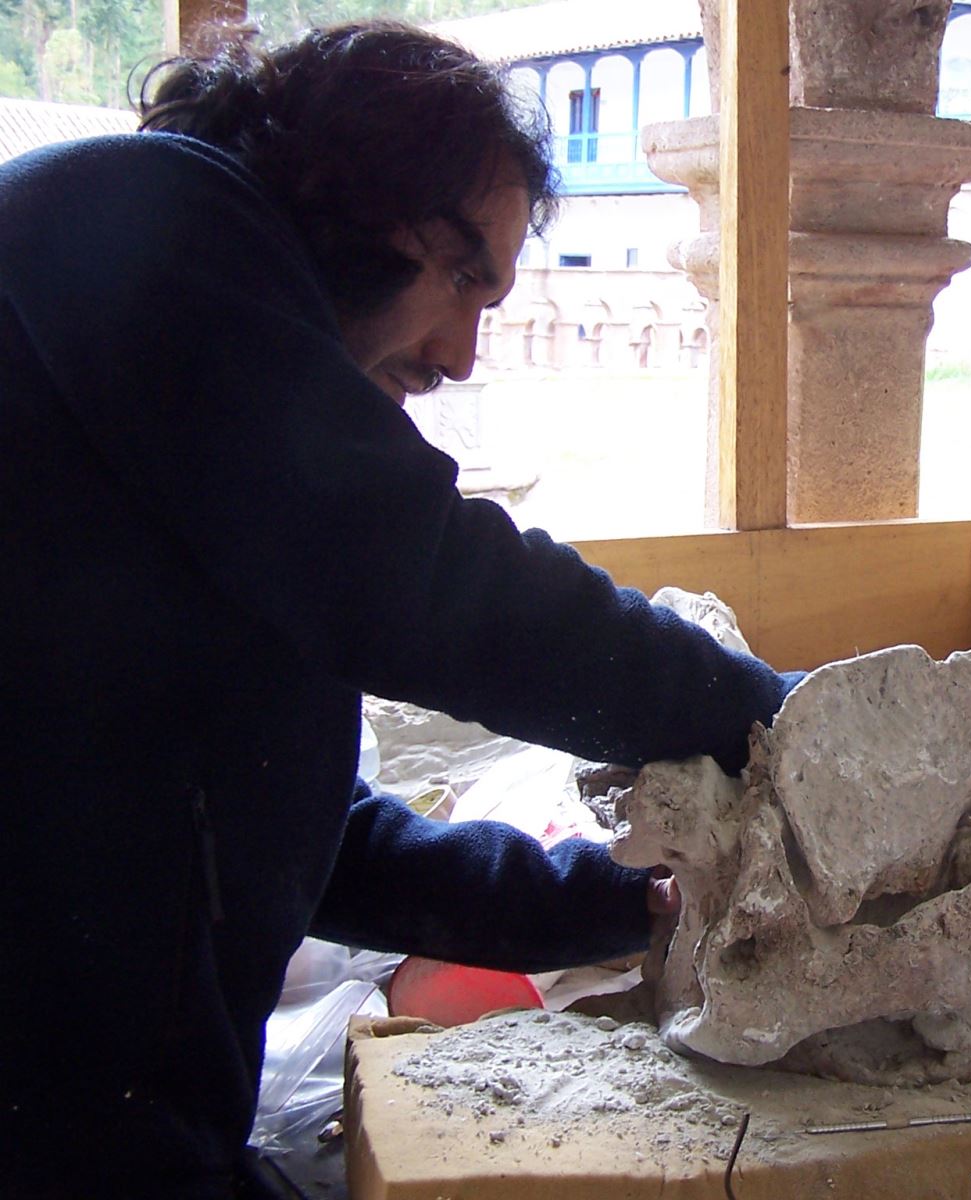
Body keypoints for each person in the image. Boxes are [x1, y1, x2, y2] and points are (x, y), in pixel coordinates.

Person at [0, 22, 801, 1198]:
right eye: (463, 274)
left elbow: (307, 833)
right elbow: (438, 586)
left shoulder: (198, 451)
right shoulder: (131, 219)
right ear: (358, 189)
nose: (464, 354)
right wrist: (786, 718)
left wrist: (628, 901)